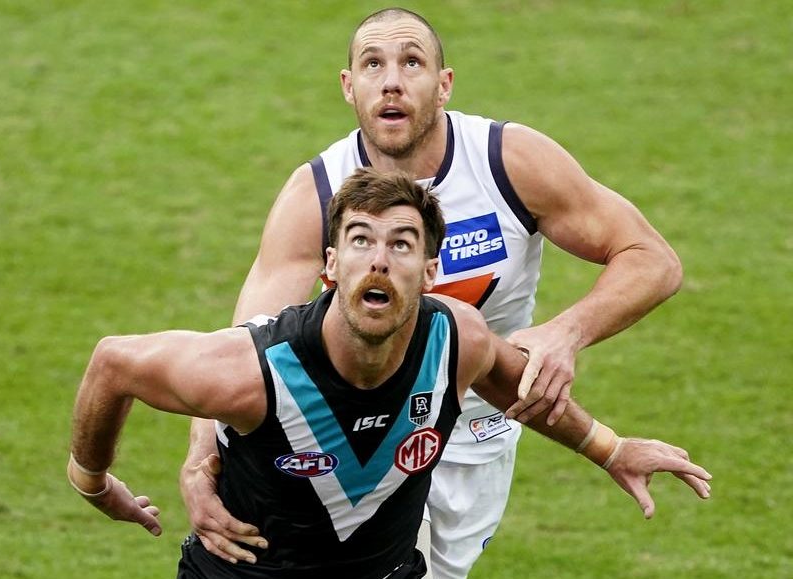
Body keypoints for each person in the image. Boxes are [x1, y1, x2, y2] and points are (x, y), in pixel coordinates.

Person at [180, 7, 686, 578]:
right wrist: (202, 458)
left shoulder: (508, 163)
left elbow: (653, 261)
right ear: (349, 87)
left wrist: (566, 333)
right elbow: (241, 346)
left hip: (481, 429)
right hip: (361, 435)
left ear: (444, 84)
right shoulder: (316, 195)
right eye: (373, 64)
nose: (391, 82)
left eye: (412, 62)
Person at [68, 168, 711, 579]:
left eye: (401, 243)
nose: (379, 260)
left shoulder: (457, 339)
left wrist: (610, 449)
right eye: (360, 240)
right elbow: (113, 362)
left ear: (430, 272)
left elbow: (513, 385)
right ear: (330, 265)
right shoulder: (252, 371)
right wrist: (93, 482)